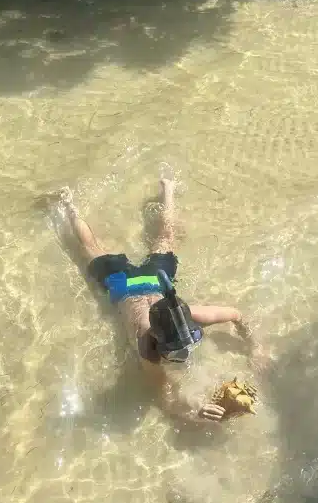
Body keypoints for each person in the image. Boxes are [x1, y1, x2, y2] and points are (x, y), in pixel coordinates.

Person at [56, 178, 264, 424]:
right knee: (131, 241)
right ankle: (70, 206)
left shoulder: (186, 315)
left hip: (146, 281)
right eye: (177, 350)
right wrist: (196, 410)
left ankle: (72, 206)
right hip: (126, 285)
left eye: (188, 341)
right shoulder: (147, 349)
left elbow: (236, 315)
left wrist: (256, 347)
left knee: (102, 245)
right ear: (156, 338)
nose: (184, 352)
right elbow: (165, 398)